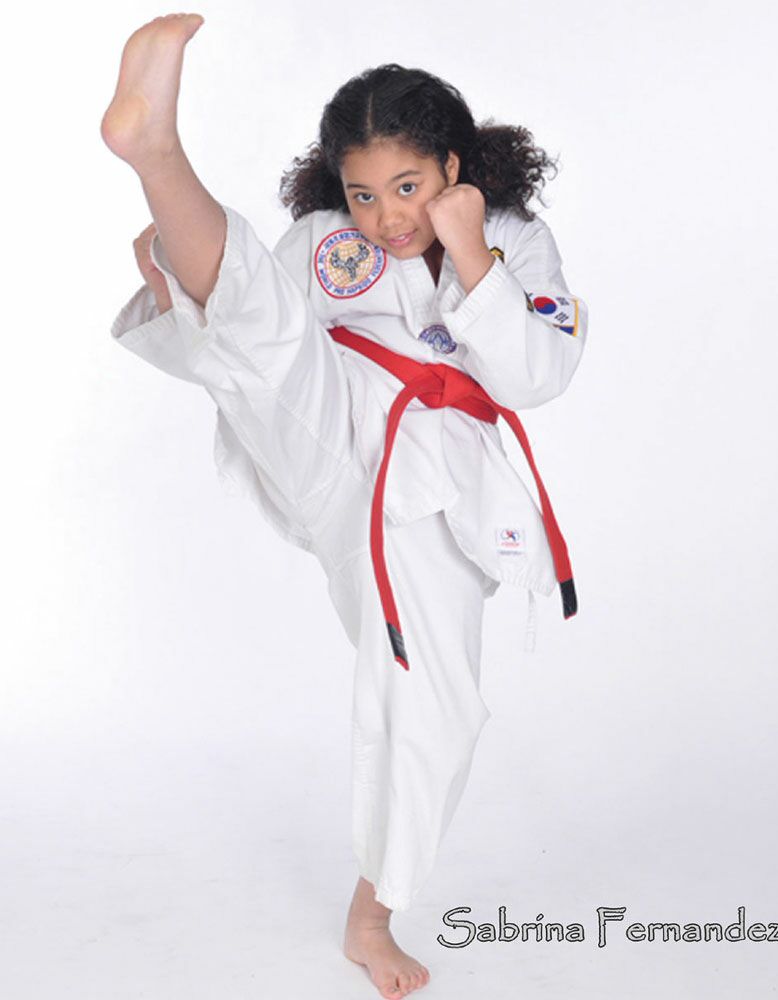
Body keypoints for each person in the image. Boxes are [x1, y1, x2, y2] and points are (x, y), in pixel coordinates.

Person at [101, 13, 588, 998]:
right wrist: (172, 273)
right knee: (260, 335)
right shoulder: (328, 242)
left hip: (439, 478)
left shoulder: (515, 240)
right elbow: (243, 324)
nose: (383, 216)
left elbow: (538, 374)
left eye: (406, 188)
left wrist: (472, 256)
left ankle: (372, 914)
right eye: (363, 192)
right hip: (334, 420)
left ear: (453, 165)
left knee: (438, 703)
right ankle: (153, 145)